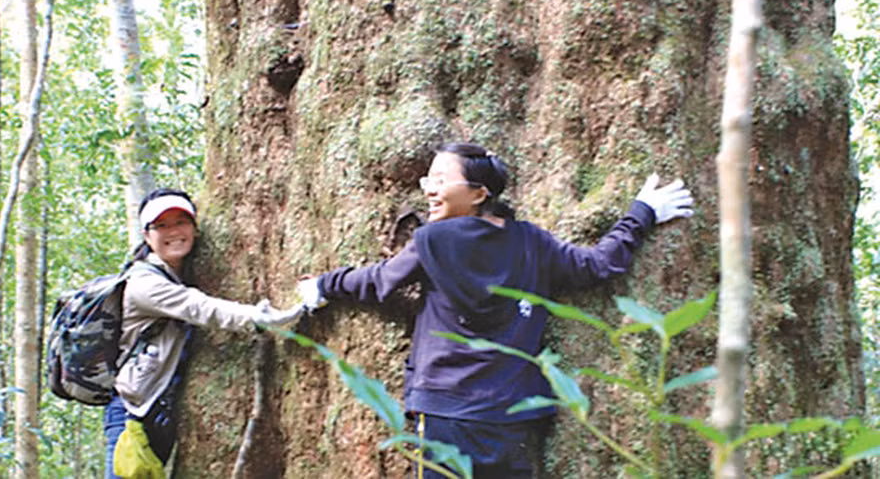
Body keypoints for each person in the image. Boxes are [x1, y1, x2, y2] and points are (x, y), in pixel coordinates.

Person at [297, 143, 694, 478]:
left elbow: (379, 282)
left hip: (444, 413)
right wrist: (642, 212)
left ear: (479, 193)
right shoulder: (531, 243)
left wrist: (323, 285)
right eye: (427, 181)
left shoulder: (431, 240)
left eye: (439, 181)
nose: (429, 191)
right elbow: (595, 266)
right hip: (513, 416)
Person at [105, 188, 304, 479]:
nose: (173, 231)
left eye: (181, 222)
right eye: (162, 225)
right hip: (132, 414)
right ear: (147, 237)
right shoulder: (143, 282)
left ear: (196, 229)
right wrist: (260, 317)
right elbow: (198, 307)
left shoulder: (175, 274)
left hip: (157, 411)